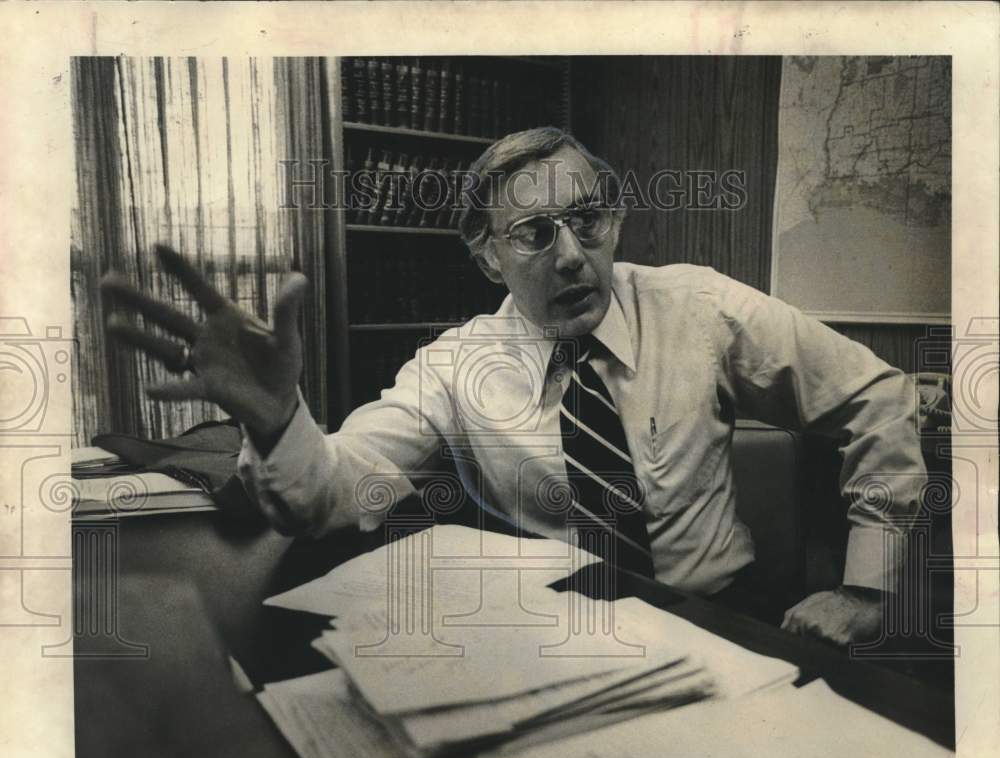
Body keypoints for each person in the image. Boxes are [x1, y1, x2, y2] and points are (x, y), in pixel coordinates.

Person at [102, 127, 927, 647]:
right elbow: (338, 493)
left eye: (590, 220)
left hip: (728, 616)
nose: (572, 255)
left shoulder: (699, 305)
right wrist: (280, 420)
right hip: (557, 636)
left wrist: (866, 586)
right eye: (535, 233)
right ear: (490, 255)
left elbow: (877, 395)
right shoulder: (459, 364)